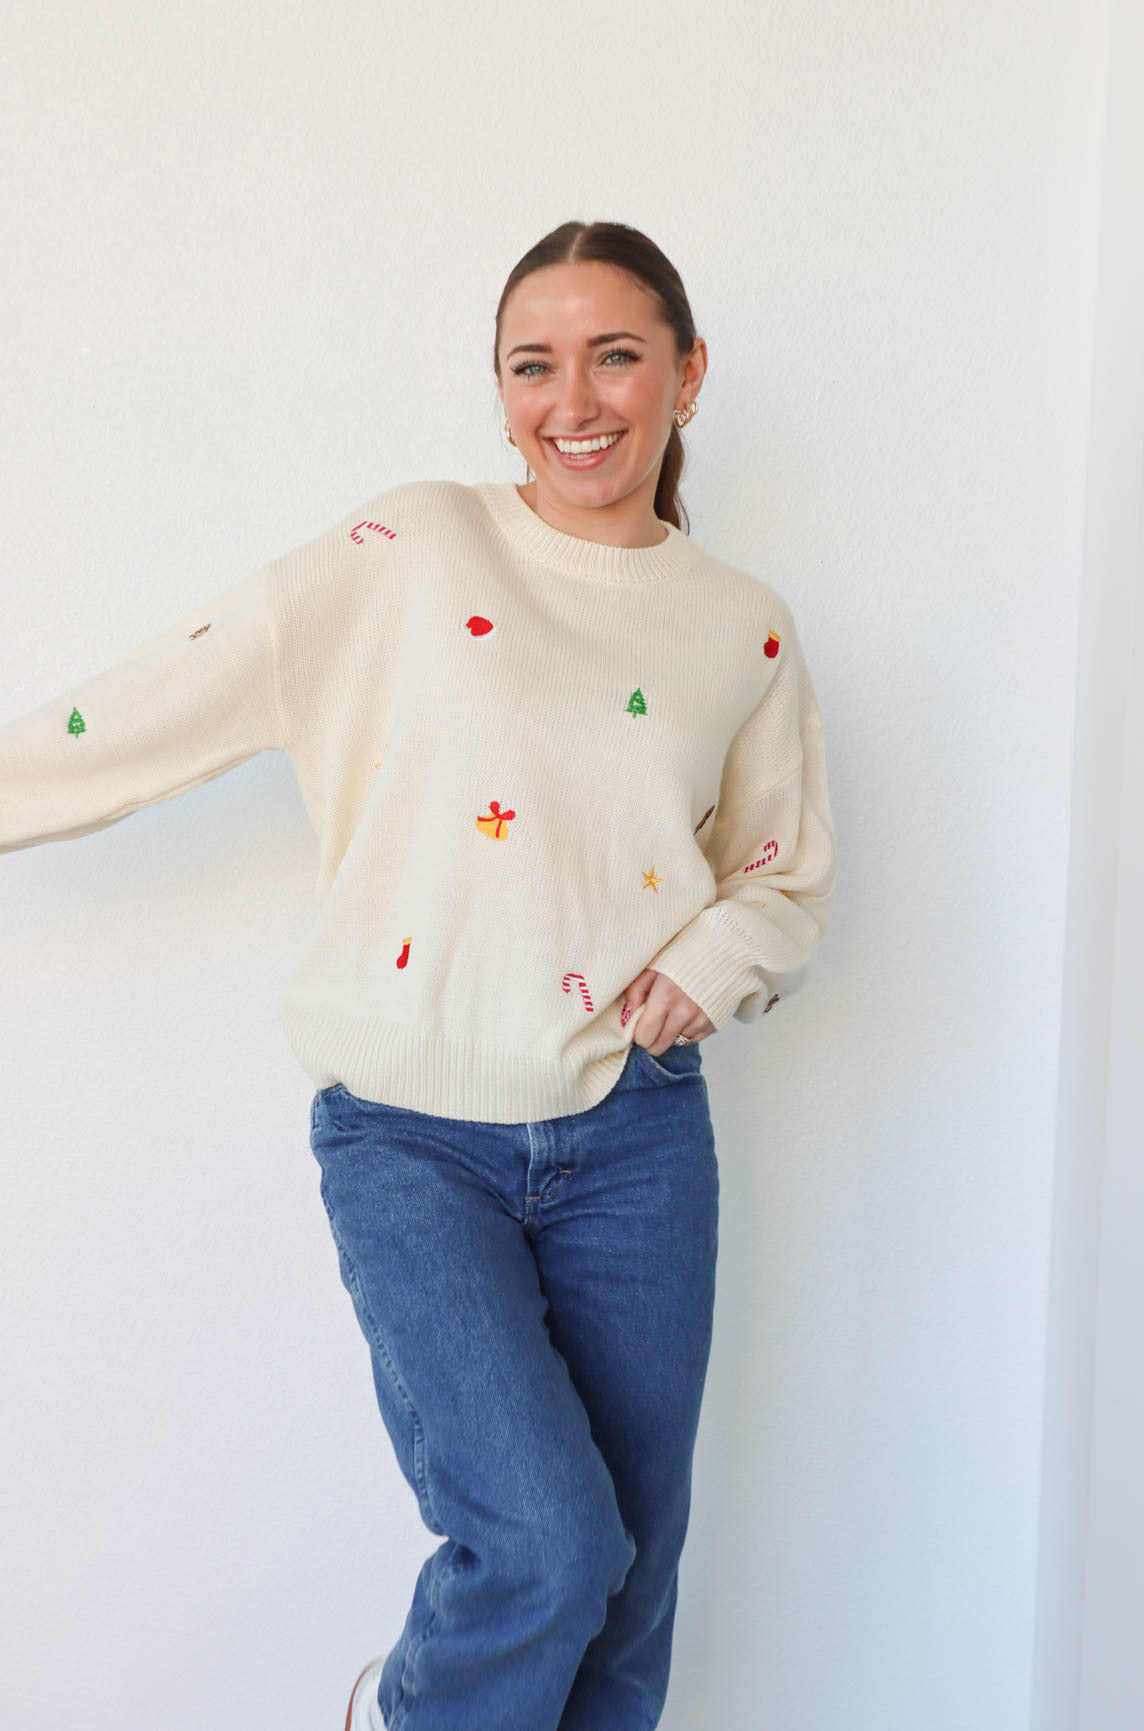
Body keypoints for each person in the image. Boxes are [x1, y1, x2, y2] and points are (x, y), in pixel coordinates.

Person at [0, 219, 837, 1731]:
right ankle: (404, 1712)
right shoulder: (412, 546)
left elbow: (781, 867)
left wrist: (718, 957)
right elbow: (169, 688)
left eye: (615, 355)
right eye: (533, 365)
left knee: (630, 1578)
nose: (571, 399)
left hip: (632, 1133)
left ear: (687, 376)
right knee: (545, 1545)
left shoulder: (742, 624)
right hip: (408, 1134)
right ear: (500, 390)